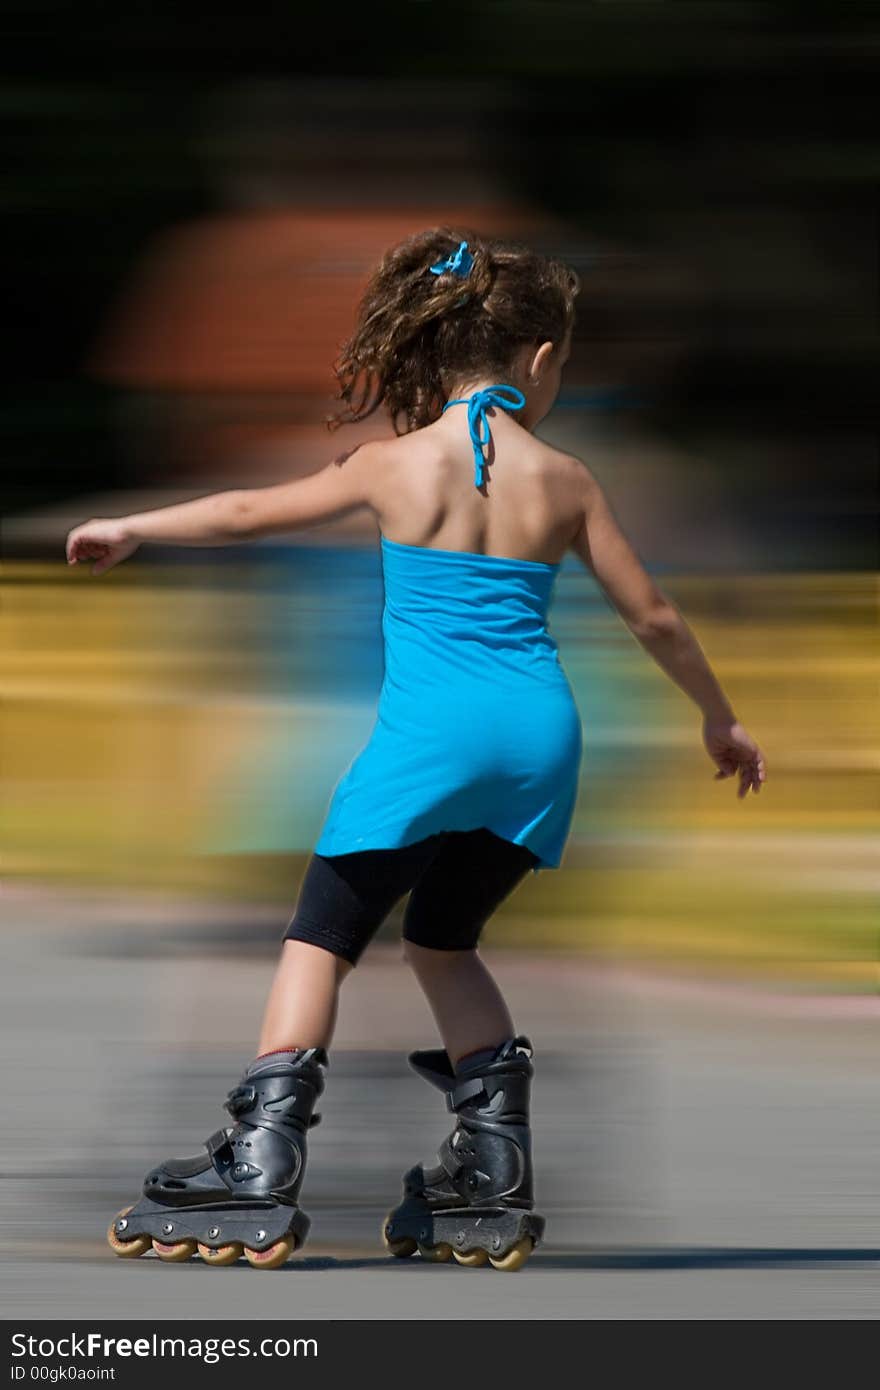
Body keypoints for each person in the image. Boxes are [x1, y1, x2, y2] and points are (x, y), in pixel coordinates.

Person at [68, 228, 766, 1273]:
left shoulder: (392, 465)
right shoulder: (567, 479)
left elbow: (252, 511)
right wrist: (719, 716)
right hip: (538, 744)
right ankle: (492, 1169)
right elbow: (654, 615)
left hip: (431, 740)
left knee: (321, 936)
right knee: (443, 938)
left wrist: (133, 525)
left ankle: (260, 1160)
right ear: (536, 362)